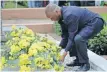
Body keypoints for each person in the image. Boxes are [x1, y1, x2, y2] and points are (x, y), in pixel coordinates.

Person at [45, 4, 105, 71]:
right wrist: (58, 48)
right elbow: (65, 35)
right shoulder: (61, 17)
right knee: (74, 38)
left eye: (51, 17)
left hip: (95, 22)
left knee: (78, 39)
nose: (51, 20)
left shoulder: (69, 15)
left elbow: (71, 37)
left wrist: (64, 53)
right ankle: (78, 61)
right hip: (86, 24)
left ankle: (85, 64)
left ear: (56, 12)